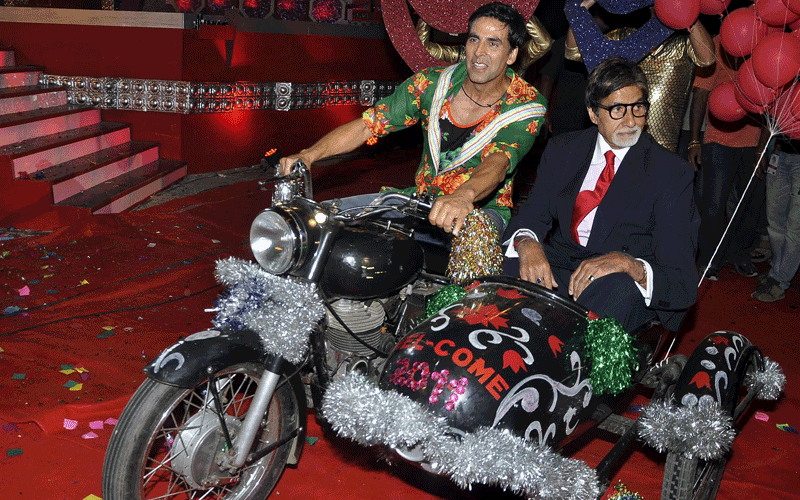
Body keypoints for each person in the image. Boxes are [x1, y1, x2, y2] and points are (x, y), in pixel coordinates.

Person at [279, 1, 547, 239]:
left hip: (480, 210)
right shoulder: (430, 85)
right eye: (474, 40)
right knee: (323, 222)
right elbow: (368, 124)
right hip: (419, 200)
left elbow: (498, 163)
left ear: (512, 54)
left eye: (493, 43)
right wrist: (309, 155)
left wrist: (462, 197)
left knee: (473, 248)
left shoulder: (526, 107)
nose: (479, 53)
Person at [503, 57, 699, 333]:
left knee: (615, 291)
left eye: (638, 108)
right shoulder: (563, 150)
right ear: (594, 114)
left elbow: (681, 279)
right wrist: (526, 242)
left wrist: (629, 265)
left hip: (614, 284)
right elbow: (534, 214)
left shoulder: (670, 173)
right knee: (506, 262)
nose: (631, 121)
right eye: (618, 109)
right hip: (560, 269)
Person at [564, 0, 715, 152]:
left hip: (662, 149)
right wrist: (581, 9)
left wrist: (687, 12)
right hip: (618, 143)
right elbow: (573, 52)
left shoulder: (683, 45)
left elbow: (708, 58)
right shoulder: (623, 37)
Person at [690, 35, 770, 281]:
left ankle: (740, 256)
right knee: (713, 206)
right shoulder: (714, 45)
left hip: (753, 142)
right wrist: (694, 140)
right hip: (719, 141)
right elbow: (701, 95)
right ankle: (710, 260)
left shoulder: (765, 49)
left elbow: (771, 104)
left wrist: (762, 148)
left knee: (748, 206)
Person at [752, 137, 800, 302]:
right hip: (779, 153)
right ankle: (777, 271)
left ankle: (780, 280)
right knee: (774, 221)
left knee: (795, 226)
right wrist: (761, 150)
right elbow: (771, 115)